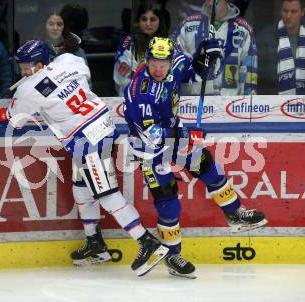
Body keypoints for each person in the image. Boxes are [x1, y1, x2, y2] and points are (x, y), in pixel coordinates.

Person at [0, 39, 169, 277]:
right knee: (82, 188)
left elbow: (11, 116)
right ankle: (95, 244)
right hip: (103, 126)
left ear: (39, 64)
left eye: (27, 66)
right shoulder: (71, 60)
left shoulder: (28, 90)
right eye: (21, 66)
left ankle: (146, 242)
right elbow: (79, 70)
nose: (23, 71)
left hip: (87, 139)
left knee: (106, 193)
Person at [122, 37, 267, 278]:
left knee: (209, 166)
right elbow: (152, 134)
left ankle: (235, 212)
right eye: (153, 63)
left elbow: (194, 72)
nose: (158, 68)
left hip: (174, 132)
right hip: (148, 148)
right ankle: (172, 255)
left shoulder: (176, 62)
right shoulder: (139, 92)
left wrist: (204, 55)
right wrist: (184, 135)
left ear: (170, 60)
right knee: (168, 203)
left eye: (163, 63)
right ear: (145, 61)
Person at [172, 0, 257, 96]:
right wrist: (195, 64)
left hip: (231, 105)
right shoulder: (187, 26)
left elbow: (249, 73)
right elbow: (172, 67)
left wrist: (247, 106)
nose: (210, 3)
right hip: (193, 104)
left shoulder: (244, 30)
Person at [256, 0, 305, 94]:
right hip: (272, 100)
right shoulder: (265, 37)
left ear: (302, 12)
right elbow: (260, 73)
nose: (288, 16)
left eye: (293, 11)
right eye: (285, 11)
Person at [113, 5, 170, 96]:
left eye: (152, 20)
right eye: (144, 19)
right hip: (134, 95)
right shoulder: (127, 41)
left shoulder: (169, 43)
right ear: (138, 22)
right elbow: (123, 77)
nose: (148, 24)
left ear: (160, 22)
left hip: (160, 95)